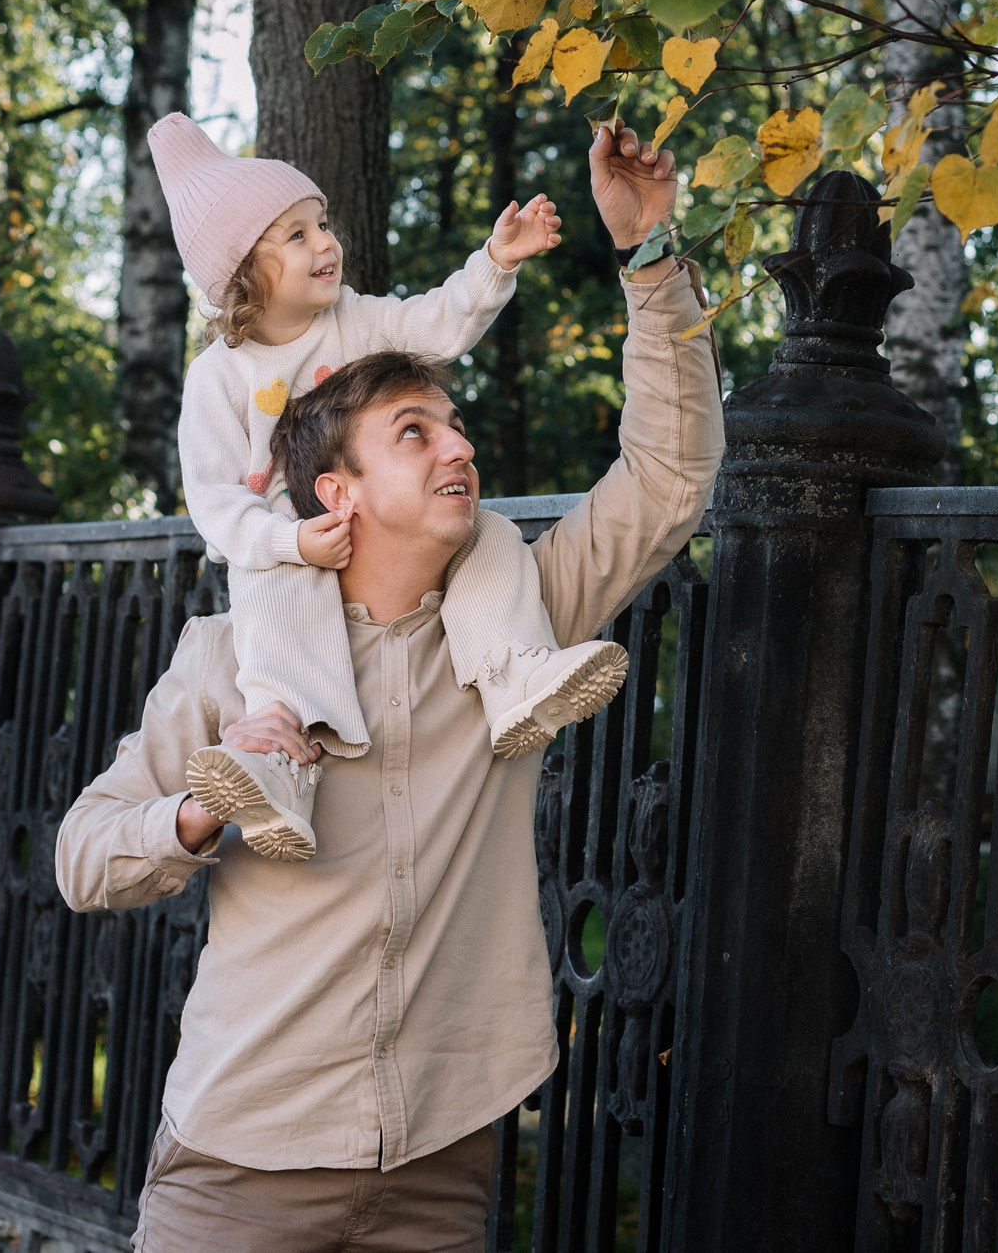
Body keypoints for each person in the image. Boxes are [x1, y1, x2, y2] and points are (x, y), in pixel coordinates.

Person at [56, 121, 718, 1251]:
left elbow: (666, 475)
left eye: (453, 424)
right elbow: (82, 856)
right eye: (415, 433)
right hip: (241, 1163)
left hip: (441, 1164)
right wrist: (204, 812)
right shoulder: (233, 659)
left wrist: (649, 255)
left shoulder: (523, 626)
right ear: (337, 492)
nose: (458, 448)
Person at [148, 113, 631, 861]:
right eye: (298, 234)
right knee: (279, 595)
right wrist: (288, 539)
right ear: (242, 270)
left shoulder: (353, 321)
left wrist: (494, 262)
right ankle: (278, 754)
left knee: (490, 535)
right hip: (283, 540)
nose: (326, 243)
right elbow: (214, 502)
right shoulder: (218, 377)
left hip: (372, 520)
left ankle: (515, 674)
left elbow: (432, 326)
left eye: (323, 223)